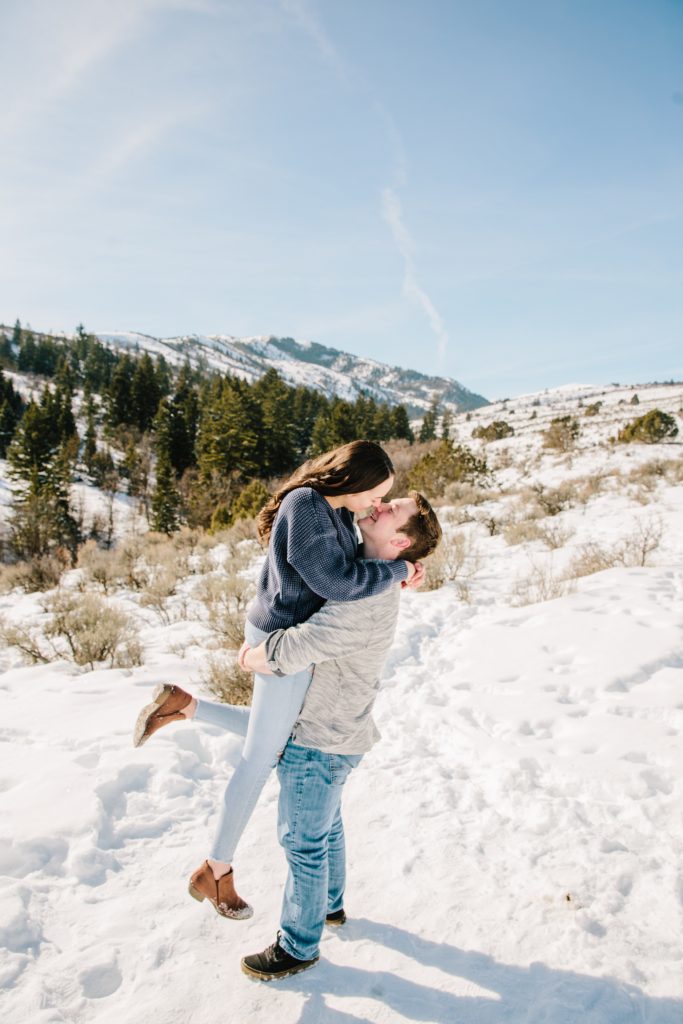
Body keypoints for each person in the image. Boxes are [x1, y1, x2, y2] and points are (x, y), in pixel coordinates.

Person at [132, 441, 423, 919]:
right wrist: (396, 569)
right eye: (377, 493)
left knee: (275, 734)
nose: (377, 503)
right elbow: (336, 583)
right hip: (277, 644)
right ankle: (215, 869)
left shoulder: (331, 508)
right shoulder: (307, 507)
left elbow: (350, 565)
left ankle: (185, 707)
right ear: (352, 480)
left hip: (289, 637)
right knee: (262, 755)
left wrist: (403, 569)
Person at [239, 491, 442, 981]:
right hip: (338, 732)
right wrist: (403, 568)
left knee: (302, 839)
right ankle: (329, 906)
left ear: (398, 539)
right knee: (325, 825)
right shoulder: (364, 569)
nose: (381, 504)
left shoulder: (367, 600)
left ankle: (299, 945)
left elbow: (292, 649)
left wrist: (249, 656)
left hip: (321, 738)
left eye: (393, 509)